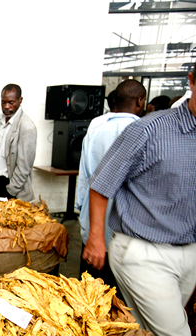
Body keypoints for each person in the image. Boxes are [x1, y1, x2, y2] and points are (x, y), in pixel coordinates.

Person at [83, 65, 196, 336]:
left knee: (150, 335)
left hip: (188, 249)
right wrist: (95, 239)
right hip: (143, 252)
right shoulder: (149, 130)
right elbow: (101, 184)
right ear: (191, 81)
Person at [75, 79, 145, 294]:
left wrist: (81, 210)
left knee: (88, 294)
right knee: (119, 300)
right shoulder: (144, 132)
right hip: (125, 230)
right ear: (140, 101)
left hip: (93, 225)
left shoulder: (96, 128)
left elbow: (84, 176)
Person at [0, 84, 37, 201]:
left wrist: (11, 190)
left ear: (20, 100)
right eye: (3, 102)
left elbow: (24, 166)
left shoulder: (27, 127)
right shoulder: (2, 119)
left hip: (12, 187)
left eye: (11, 102)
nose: (6, 107)